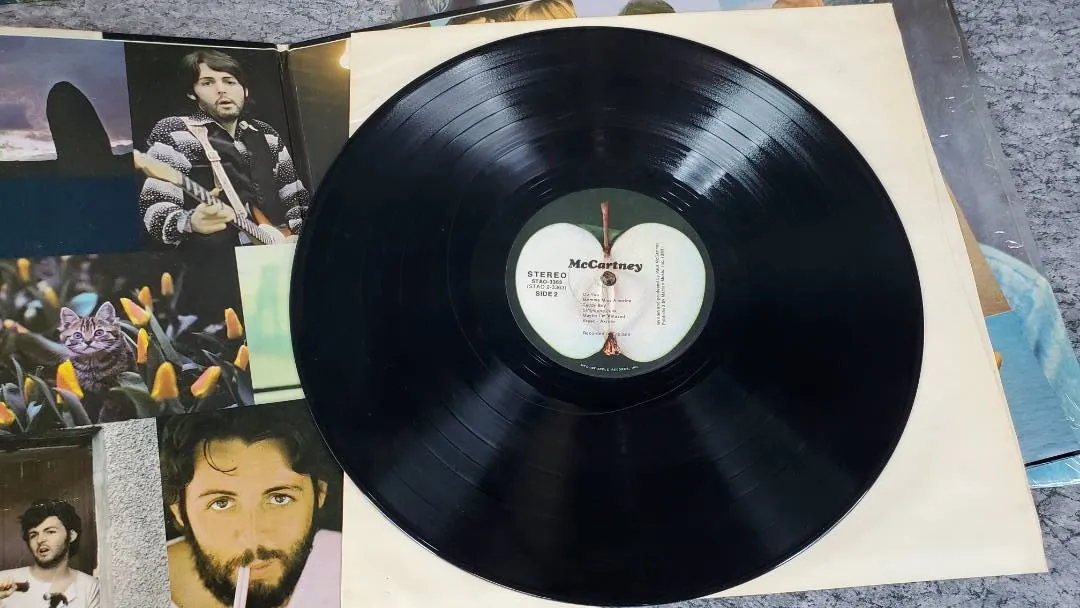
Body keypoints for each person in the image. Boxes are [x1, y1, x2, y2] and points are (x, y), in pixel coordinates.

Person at [158, 405, 341, 608]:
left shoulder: (357, 564)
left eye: (280, 498)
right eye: (221, 503)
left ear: (320, 493)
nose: (253, 540)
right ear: (179, 511)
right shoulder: (137, 584)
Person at [137, 49, 310, 251]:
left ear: (245, 91)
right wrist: (189, 222)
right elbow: (154, 207)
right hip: (214, 260)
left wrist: (299, 237)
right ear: (192, 93)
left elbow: (296, 198)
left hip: (272, 252)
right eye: (207, 83)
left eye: (229, 81)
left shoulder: (266, 133)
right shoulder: (176, 130)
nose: (221, 90)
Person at [0, 500, 101, 608]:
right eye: (33, 535)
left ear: (71, 535)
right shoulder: (3, 581)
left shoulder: (90, 587)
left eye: (50, 532)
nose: (40, 540)